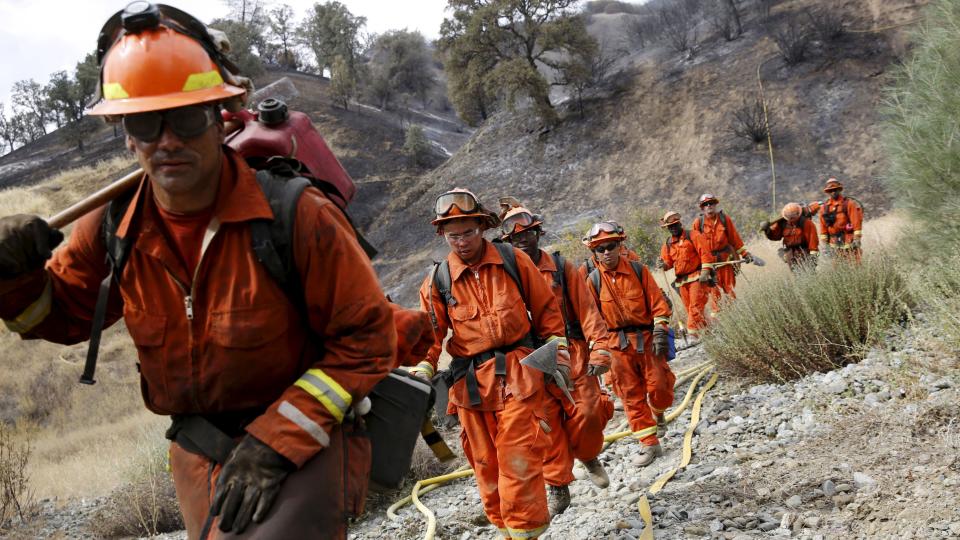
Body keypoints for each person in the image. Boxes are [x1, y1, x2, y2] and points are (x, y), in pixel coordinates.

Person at [0, 4, 399, 538]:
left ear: (218, 119)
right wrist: (13, 276)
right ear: (126, 134)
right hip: (198, 451)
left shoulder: (295, 214)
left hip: (305, 437)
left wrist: (276, 441)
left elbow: (368, 338)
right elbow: (60, 317)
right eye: (145, 122)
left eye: (186, 119)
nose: (167, 140)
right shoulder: (113, 226)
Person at [413, 189, 570, 539]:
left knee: (518, 457)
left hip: (520, 372)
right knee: (485, 464)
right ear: (442, 234)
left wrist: (556, 355)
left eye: (468, 232)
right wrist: (422, 370)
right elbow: (430, 335)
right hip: (470, 383)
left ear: (482, 227)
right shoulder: (438, 280)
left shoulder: (512, 260)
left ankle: (526, 532)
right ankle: (506, 530)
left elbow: (546, 310)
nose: (462, 241)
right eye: (454, 235)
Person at [499, 202, 614, 516]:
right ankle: (558, 486)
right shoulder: (506, 276)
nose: (522, 241)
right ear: (508, 243)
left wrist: (600, 348)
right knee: (546, 427)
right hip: (533, 362)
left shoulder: (562, 269)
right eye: (515, 238)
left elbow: (588, 310)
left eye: (528, 234)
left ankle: (589, 456)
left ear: (538, 232)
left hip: (573, 353)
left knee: (588, 412)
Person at [582, 221, 675, 466]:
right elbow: (591, 319)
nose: (606, 253)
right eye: (600, 249)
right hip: (616, 346)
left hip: (646, 340)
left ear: (619, 245)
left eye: (610, 246)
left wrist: (659, 330)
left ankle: (658, 412)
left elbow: (658, 304)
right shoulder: (592, 281)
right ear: (594, 253)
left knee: (661, 388)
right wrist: (597, 349)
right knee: (631, 395)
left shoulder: (638, 270)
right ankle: (650, 444)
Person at [691, 194, 753, 313]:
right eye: (706, 204)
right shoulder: (698, 223)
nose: (709, 206)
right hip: (710, 266)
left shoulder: (724, 219)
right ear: (702, 208)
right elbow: (695, 246)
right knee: (715, 295)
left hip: (726, 262)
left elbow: (735, 239)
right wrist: (699, 267)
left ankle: (734, 315)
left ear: (715, 204)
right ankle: (719, 320)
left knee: (729, 291)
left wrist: (745, 254)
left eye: (711, 203)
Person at [656, 211, 709, 339]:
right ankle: (708, 331)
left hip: (697, 277)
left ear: (680, 224)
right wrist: (662, 265)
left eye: (675, 225)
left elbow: (705, 254)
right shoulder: (668, 245)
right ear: (667, 228)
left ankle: (692, 334)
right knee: (689, 308)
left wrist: (706, 272)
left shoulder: (693, 235)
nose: (673, 228)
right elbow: (668, 263)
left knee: (695, 306)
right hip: (682, 282)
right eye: (670, 227)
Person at [763, 203, 819, 271]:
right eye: (790, 217)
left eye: (793, 217)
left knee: (810, 272)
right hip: (790, 254)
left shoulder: (806, 223)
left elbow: (813, 239)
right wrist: (767, 230)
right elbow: (775, 236)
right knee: (796, 274)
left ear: (798, 214)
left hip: (804, 251)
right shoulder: (782, 223)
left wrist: (813, 255)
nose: (791, 218)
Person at [818, 177, 864, 262]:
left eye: (835, 189)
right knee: (837, 269)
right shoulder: (824, 208)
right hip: (833, 243)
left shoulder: (849, 204)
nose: (833, 192)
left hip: (849, 241)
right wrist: (825, 245)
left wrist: (857, 239)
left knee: (855, 266)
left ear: (839, 189)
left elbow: (856, 223)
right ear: (827, 192)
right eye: (831, 190)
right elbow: (823, 228)